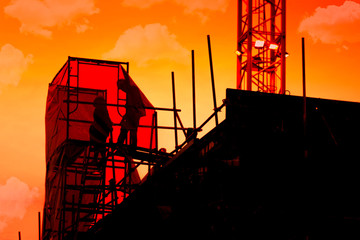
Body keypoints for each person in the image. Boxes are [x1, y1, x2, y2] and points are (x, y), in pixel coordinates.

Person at [117, 72, 146, 149]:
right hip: (133, 114)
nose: (122, 90)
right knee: (129, 130)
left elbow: (134, 104)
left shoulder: (132, 90)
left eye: (121, 87)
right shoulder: (131, 91)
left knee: (127, 130)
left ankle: (124, 146)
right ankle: (129, 146)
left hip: (134, 114)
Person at [89, 96, 113, 164]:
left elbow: (103, 121)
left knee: (98, 144)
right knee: (99, 144)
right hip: (101, 132)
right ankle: (100, 158)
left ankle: (99, 158)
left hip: (100, 132)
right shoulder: (103, 110)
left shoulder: (99, 110)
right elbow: (105, 121)